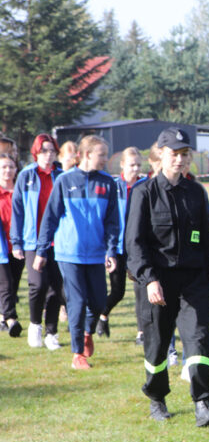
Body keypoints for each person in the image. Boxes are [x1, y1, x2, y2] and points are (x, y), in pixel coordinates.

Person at [127, 127, 209, 425]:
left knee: (198, 340)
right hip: (157, 281)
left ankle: (203, 403)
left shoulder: (197, 192)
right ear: (160, 155)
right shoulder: (144, 193)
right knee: (157, 344)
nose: (180, 160)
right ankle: (157, 398)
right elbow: (134, 243)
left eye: (184, 154)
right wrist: (149, 279)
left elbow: (206, 241)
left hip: (193, 281)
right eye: (174, 154)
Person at [35, 136, 119, 369]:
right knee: (77, 301)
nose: (105, 159)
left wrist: (111, 251)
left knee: (99, 302)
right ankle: (77, 354)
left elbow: (112, 222)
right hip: (69, 253)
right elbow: (50, 218)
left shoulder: (108, 183)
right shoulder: (65, 180)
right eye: (102, 154)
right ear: (86, 154)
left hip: (96, 254)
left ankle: (87, 332)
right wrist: (42, 251)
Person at [10, 133, 63, 350]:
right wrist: (16, 242)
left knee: (56, 288)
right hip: (33, 240)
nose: (48, 155)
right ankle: (35, 325)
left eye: (51, 151)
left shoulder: (61, 176)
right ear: (36, 153)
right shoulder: (26, 176)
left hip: (57, 241)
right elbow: (17, 210)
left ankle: (52, 332)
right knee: (38, 285)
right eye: (44, 151)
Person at [97, 147, 147, 340]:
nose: (135, 169)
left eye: (138, 165)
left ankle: (141, 332)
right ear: (123, 165)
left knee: (141, 290)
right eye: (132, 165)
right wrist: (107, 250)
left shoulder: (145, 185)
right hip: (116, 247)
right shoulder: (113, 185)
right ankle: (103, 315)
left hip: (138, 247)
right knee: (118, 292)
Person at [0, 153, 23, 336]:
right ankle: (11, 319)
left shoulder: (20, 191)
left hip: (17, 245)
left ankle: (2, 317)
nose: (7, 170)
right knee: (5, 283)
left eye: (11, 167)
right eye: (3, 167)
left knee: (13, 283)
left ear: (16, 169)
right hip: (0, 246)